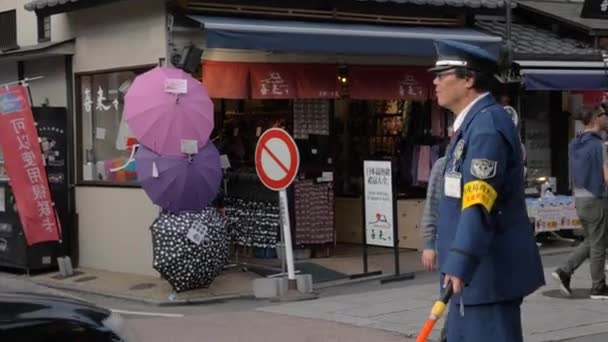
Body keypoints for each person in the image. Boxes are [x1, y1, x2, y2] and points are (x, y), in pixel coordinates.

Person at [430, 40, 545, 342]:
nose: (435, 81)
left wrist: (459, 261)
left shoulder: (485, 128)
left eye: (443, 74)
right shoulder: (472, 125)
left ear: (469, 79)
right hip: (473, 277)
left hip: (485, 275)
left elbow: (479, 203)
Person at [552, 103, 608, 299]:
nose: (606, 118)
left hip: (580, 199)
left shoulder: (575, 143)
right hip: (596, 198)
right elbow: (605, 175)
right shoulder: (598, 145)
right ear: (595, 119)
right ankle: (598, 287)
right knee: (599, 244)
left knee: (592, 240)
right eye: (603, 115)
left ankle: (564, 271)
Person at [420, 155, 447, 342]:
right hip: (448, 244)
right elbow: (432, 205)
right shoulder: (442, 164)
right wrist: (429, 244)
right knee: (448, 299)